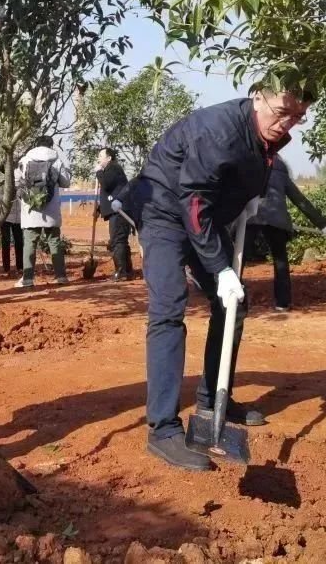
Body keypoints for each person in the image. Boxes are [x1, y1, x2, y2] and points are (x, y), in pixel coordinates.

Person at [129, 87, 313, 471]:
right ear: (258, 96)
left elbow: (234, 178)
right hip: (163, 211)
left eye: (296, 118)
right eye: (281, 113)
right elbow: (193, 200)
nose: (285, 125)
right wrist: (222, 268)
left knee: (233, 305)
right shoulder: (217, 130)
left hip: (203, 218)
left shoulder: (265, 132)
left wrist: (252, 195)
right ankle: (163, 430)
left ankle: (214, 399)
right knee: (168, 307)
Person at [243, 155, 326, 312]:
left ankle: (230, 301)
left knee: (238, 258)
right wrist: (322, 224)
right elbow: (300, 200)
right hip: (276, 219)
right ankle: (282, 303)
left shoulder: (248, 167)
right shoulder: (281, 173)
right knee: (280, 261)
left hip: (250, 217)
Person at [15, 136, 73, 287]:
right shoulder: (56, 160)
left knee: (29, 243)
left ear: (35, 144)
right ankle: (61, 276)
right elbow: (66, 182)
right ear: (51, 145)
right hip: (51, 209)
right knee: (54, 242)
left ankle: (27, 279)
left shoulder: (25, 159)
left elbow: (16, 181)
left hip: (31, 208)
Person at [96, 147, 134, 281]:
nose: (98, 158)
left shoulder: (113, 168)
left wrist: (99, 172)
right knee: (120, 241)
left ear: (109, 158)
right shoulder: (111, 169)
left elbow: (106, 184)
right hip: (117, 210)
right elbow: (112, 192)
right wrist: (100, 208)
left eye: (101, 156)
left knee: (117, 241)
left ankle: (121, 272)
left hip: (120, 212)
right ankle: (127, 271)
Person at [0, 179, 23, 275]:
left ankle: (20, 266)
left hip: (18, 217)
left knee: (19, 241)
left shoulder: (21, 182)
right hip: (5, 217)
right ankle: (6, 267)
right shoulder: (1, 183)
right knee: (6, 241)